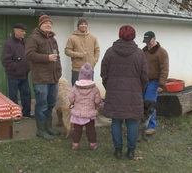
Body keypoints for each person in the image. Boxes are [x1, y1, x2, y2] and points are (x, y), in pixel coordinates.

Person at [101, 25, 148, 160]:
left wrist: (109, 87)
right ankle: (131, 151)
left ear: (120, 35)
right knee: (132, 122)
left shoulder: (110, 52)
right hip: (133, 92)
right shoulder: (139, 53)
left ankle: (118, 151)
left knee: (116, 121)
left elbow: (104, 73)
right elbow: (145, 75)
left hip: (114, 92)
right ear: (133, 36)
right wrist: (140, 89)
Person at [25, 12, 62, 140]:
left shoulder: (52, 39)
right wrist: (47, 58)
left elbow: (57, 57)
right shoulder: (33, 38)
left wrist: (58, 72)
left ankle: (48, 127)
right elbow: (29, 54)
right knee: (41, 104)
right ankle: (40, 130)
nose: (48, 25)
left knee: (51, 103)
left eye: (50, 23)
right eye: (45, 23)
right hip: (40, 78)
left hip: (53, 77)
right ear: (40, 25)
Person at [1, 23, 33, 123]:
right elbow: (5, 60)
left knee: (26, 94)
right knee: (13, 96)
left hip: (24, 74)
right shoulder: (9, 43)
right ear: (16, 31)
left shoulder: (25, 42)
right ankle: (15, 115)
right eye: (22, 31)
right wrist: (16, 68)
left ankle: (26, 113)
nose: (24, 33)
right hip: (13, 75)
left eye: (24, 31)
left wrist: (27, 67)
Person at [68, 62, 103, 151]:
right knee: (90, 130)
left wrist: (73, 102)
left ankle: (75, 145)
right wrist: (97, 105)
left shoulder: (75, 87)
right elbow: (97, 100)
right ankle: (93, 144)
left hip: (77, 113)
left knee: (77, 130)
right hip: (90, 113)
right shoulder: (94, 88)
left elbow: (71, 97)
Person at [142, 31, 169, 135]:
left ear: (154, 39)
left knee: (150, 102)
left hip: (154, 81)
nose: (147, 43)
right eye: (146, 42)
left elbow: (164, 69)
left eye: (149, 41)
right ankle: (143, 123)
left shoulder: (162, 52)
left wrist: (161, 84)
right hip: (144, 81)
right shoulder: (143, 52)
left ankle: (152, 126)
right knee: (142, 102)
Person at [64, 18, 100, 86]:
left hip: (89, 69)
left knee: (89, 90)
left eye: (85, 24)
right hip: (77, 69)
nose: (83, 26)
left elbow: (97, 50)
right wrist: (78, 55)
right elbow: (67, 51)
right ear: (78, 26)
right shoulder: (72, 38)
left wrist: (94, 61)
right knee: (76, 90)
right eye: (81, 24)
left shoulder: (93, 37)